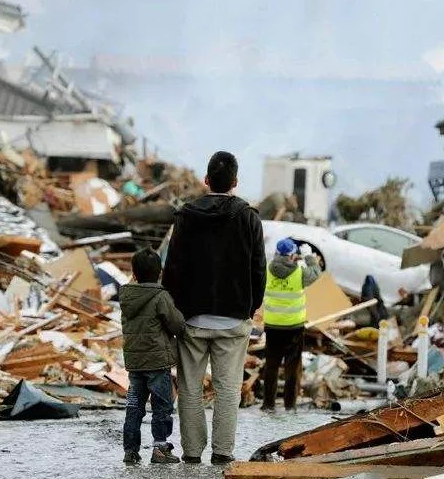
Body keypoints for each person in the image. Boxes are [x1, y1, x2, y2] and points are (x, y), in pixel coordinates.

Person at [162, 151, 266, 465]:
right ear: (235, 182)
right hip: (233, 320)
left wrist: (175, 310)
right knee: (228, 389)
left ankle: (192, 452)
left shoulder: (186, 216)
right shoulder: (249, 217)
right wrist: (252, 306)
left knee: (191, 389)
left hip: (192, 319)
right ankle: (222, 452)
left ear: (206, 180)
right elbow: (258, 268)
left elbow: (173, 268)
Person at [120, 248, 186, 465]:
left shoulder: (127, 296)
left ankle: (130, 450)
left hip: (135, 363)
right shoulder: (161, 296)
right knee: (162, 406)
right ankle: (159, 448)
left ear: (135, 273)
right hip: (157, 363)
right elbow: (176, 324)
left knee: (134, 406)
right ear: (159, 273)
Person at [261, 239, 321, 413]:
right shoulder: (300, 272)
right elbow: (316, 273)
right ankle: (289, 405)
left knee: (271, 366)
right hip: (294, 327)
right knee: (292, 369)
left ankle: (268, 405)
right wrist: (309, 257)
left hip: (272, 326)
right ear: (292, 255)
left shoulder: (267, 270)